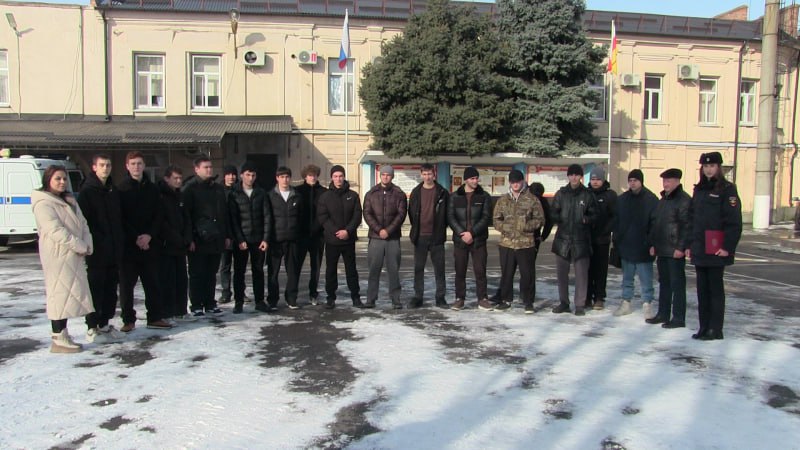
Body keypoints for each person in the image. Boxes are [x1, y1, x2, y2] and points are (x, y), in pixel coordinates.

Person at [32, 165, 94, 353]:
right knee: (59, 295)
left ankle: (64, 333)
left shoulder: (69, 200)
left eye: (64, 178)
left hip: (73, 255)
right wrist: (79, 245)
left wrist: (87, 242)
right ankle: (58, 336)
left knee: (68, 296)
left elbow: (83, 223)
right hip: (58, 256)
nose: (62, 182)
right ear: (48, 180)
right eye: (57, 178)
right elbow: (55, 231)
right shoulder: (43, 204)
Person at [687, 152, 742, 340]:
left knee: (715, 290)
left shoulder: (727, 189)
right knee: (702, 291)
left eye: (712, 166)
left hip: (716, 247)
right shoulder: (700, 189)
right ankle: (704, 327)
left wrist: (727, 246)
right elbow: (692, 219)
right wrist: (689, 244)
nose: (709, 169)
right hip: (700, 247)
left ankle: (715, 329)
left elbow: (733, 222)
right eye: (705, 166)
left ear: (719, 167)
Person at [117, 151, 171, 331]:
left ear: (144, 165)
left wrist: (149, 235)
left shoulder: (153, 189)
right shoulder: (121, 189)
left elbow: (159, 215)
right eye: (133, 164)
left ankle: (155, 317)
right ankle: (128, 320)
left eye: (139, 163)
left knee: (153, 283)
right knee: (127, 286)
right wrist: (136, 237)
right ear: (127, 166)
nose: (136, 167)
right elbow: (120, 218)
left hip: (150, 245)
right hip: (129, 246)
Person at [77, 154, 126, 343]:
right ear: (94, 167)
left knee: (110, 290)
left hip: (114, 250)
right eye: (102, 165)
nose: (106, 168)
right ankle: (92, 326)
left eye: (108, 165)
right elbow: (84, 222)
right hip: (97, 250)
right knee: (95, 289)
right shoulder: (87, 191)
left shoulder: (113, 190)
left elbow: (119, 218)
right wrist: (95, 241)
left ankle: (105, 323)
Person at [184, 156, 231, 317]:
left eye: (210, 167)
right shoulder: (190, 189)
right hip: (198, 239)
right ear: (196, 169)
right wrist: (189, 238)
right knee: (197, 273)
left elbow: (224, 214)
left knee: (211, 273)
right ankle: (196, 304)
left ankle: (210, 303)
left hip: (216, 238)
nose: (209, 170)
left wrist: (226, 235)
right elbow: (187, 216)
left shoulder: (218, 189)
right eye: (206, 167)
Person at [493, 169, 544, 314]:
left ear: (522, 182)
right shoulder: (503, 200)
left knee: (527, 274)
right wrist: (505, 227)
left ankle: (528, 302)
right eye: (513, 182)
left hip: (525, 243)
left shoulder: (532, 199)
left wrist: (527, 226)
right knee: (507, 274)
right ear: (509, 183)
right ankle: (506, 300)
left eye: (518, 181)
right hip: (507, 243)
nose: (515, 184)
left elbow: (540, 219)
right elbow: (496, 220)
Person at [647, 168, 691, 329]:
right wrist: (653, 244)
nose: (665, 184)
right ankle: (663, 313)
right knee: (664, 283)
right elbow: (655, 223)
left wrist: (681, 247)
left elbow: (686, 226)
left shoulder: (684, 200)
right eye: (664, 181)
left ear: (677, 181)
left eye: (669, 181)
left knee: (677, 285)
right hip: (662, 249)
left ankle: (678, 317)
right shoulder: (663, 200)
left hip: (674, 250)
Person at [550, 164, 597, 315]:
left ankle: (580, 304)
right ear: (568, 176)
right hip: (563, 239)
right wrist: (559, 218)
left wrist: (586, 219)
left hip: (581, 239)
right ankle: (564, 302)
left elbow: (595, 214)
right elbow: (553, 212)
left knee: (581, 275)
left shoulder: (587, 194)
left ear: (581, 177)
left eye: (577, 175)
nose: (574, 177)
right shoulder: (561, 194)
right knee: (562, 274)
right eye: (571, 175)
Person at [613, 169, 659, 318]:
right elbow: (616, 222)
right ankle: (626, 302)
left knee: (646, 279)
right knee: (627, 278)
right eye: (630, 180)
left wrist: (651, 243)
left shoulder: (651, 199)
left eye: (635, 180)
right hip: (626, 245)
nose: (632, 183)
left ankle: (647, 304)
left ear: (641, 181)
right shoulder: (622, 200)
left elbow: (655, 224)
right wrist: (617, 241)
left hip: (643, 247)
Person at [317, 165, 363, 309]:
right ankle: (331, 297)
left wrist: (347, 231)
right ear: (332, 178)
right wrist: (336, 232)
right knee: (331, 270)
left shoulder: (353, 195)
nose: (338, 179)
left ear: (344, 177)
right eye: (335, 176)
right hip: (332, 240)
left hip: (348, 240)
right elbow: (323, 217)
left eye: (341, 176)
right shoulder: (325, 197)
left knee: (351, 270)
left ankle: (355, 297)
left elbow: (357, 215)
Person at [363, 165, 408, 309]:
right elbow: (367, 213)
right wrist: (379, 230)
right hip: (375, 238)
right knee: (373, 269)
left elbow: (401, 214)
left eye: (388, 175)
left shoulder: (399, 193)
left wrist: (388, 230)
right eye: (383, 174)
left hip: (392, 238)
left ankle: (395, 299)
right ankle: (371, 299)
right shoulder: (371, 193)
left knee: (393, 270)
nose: (385, 177)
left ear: (392, 176)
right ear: (380, 176)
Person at [447, 166, 492, 311]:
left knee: (480, 271)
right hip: (460, 240)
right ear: (466, 179)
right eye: (472, 178)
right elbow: (450, 217)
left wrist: (472, 233)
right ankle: (459, 299)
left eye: (476, 178)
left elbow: (486, 217)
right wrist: (462, 233)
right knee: (460, 271)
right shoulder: (455, 196)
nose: (475, 181)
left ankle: (482, 299)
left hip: (478, 240)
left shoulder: (484, 196)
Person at [228, 162, 271, 313]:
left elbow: (267, 217)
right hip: (241, 240)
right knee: (239, 272)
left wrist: (265, 239)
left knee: (258, 271)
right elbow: (233, 219)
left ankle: (260, 301)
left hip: (258, 239)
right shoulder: (234, 193)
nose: (250, 178)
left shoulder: (261, 193)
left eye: (253, 175)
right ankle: (238, 302)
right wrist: (239, 239)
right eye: (247, 175)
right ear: (241, 175)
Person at [408, 163, 449, 308]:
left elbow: (446, 214)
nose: (427, 177)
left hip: (437, 237)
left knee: (439, 269)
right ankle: (418, 297)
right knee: (418, 269)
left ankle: (440, 297)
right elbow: (411, 213)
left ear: (434, 174)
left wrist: (441, 228)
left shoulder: (442, 192)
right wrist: (417, 229)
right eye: (424, 174)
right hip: (420, 237)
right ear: (421, 175)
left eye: (429, 174)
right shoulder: (416, 192)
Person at [157, 165, 195, 323]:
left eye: (180, 178)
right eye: (175, 178)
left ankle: (181, 310)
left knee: (181, 280)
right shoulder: (160, 196)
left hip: (181, 246)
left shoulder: (180, 196)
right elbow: (162, 222)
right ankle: (167, 312)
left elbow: (187, 218)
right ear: (167, 179)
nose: (179, 181)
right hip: (167, 245)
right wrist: (176, 238)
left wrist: (187, 238)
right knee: (168, 280)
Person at [266, 166, 304, 310]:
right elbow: (267, 218)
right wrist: (267, 238)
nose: (285, 180)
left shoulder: (297, 195)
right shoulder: (270, 196)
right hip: (275, 240)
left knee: (293, 272)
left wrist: (298, 235)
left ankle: (292, 299)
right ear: (277, 178)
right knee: (273, 272)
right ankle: (272, 300)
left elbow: (301, 217)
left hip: (292, 240)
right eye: (282, 177)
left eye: (287, 177)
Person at [586, 167, 617, 310]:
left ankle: (599, 297)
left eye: (598, 179)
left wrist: (606, 231)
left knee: (600, 270)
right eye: (593, 179)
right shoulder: (586, 193)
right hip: (587, 239)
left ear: (603, 180)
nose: (595, 182)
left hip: (602, 239)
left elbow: (615, 217)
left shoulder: (610, 195)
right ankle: (587, 296)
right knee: (587, 269)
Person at [296, 164, 327, 305]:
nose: (312, 177)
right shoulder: (298, 191)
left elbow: (326, 213)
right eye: (309, 175)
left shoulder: (324, 192)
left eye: (314, 175)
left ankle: (313, 293)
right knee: (296, 265)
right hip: (301, 235)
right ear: (305, 176)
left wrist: (319, 228)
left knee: (316, 267)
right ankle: (293, 293)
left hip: (318, 236)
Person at [218, 165, 238, 304]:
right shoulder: (218, 191)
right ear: (224, 175)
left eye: (233, 174)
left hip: (239, 233)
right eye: (228, 174)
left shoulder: (240, 190)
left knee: (240, 266)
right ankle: (226, 292)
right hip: (224, 233)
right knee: (225, 265)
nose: (231, 177)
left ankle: (240, 291)